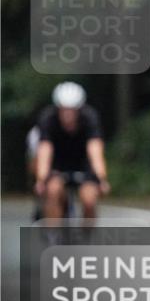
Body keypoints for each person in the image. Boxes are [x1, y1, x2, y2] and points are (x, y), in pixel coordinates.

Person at [34, 82, 110, 220]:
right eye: (64, 110)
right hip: (58, 162)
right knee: (52, 191)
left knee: (89, 199)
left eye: (72, 110)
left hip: (83, 163)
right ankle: (54, 234)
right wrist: (41, 179)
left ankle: (87, 237)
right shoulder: (48, 118)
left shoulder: (90, 117)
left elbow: (95, 150)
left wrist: (101, 178)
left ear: (79, 109)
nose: (68, 114)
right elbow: (45, 149)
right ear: (58, 109)